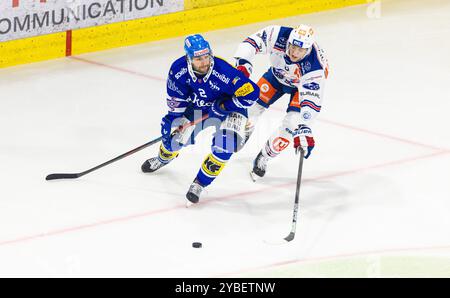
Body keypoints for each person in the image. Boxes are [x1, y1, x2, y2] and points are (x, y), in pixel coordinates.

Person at [142, 34, 260, 204]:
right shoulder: (178, 69)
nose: (204, 62)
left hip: (231, 109)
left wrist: (224, 107)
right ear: (189, 58)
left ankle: (200, 183)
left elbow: (252, 93)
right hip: (199, 107)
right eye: (198, 59)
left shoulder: (224, 71)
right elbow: (177, 100)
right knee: (174, 139)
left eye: (207, 56)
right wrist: (171, 121)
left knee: (225, 146)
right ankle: (162, 159)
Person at [233, 24, 329, 180]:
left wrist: (304, 127)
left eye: (300, 50)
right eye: (292, 47)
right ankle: (245, 131)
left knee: (291, 126)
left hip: (301, 89)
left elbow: (311, 103)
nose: (295, 53)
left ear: (308, 49)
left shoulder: (315, 67)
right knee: (251, 107)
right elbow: (251, 42)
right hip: (276, 77)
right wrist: (244, 63)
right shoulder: (278, 34)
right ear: (289, 41)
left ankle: (264, 156)